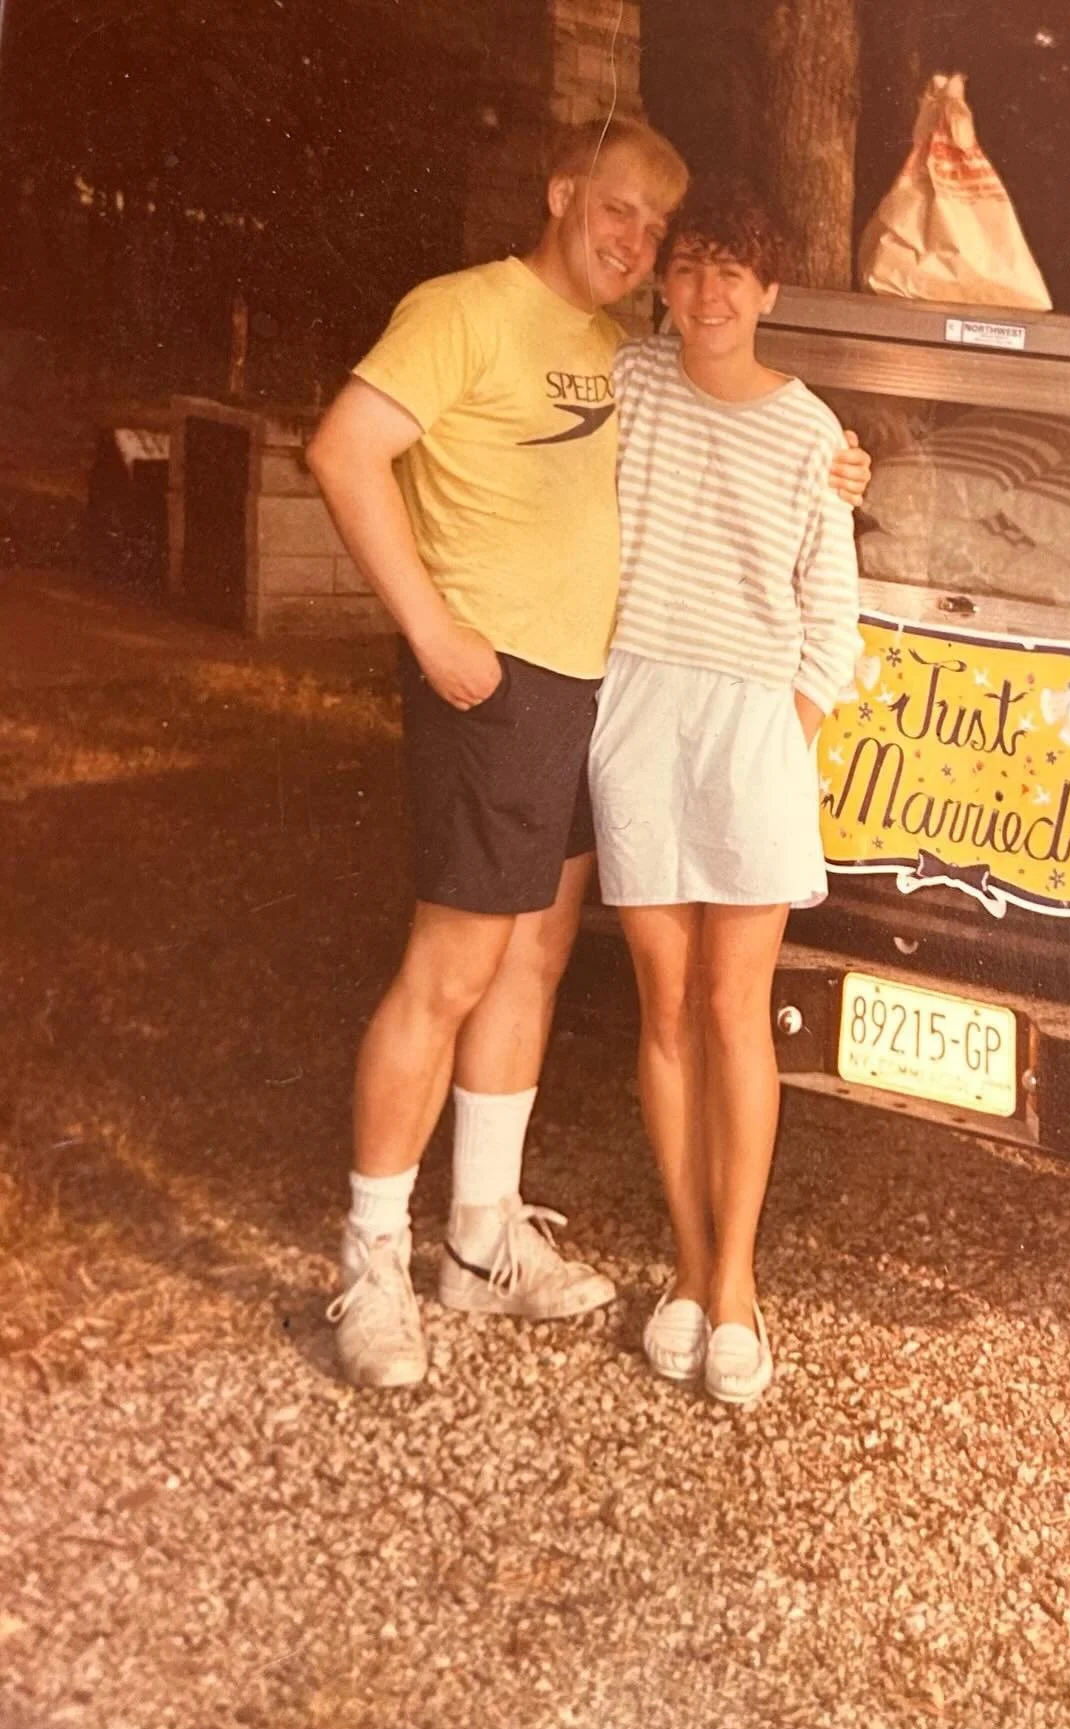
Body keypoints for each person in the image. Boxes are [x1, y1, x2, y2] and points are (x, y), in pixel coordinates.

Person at [306, 119, 869, 1388]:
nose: (639, 246)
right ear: (562, 193)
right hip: (493, 682)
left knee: (536, 963)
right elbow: (342, 454)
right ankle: (371, 1265)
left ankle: (481, 1243)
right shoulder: (465, 310)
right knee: (450, 967)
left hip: (591, 694)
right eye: (619, 215)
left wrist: (842, 461)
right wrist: (432, 627)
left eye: (657, 235)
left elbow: (760, 447)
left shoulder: (624, 353)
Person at [589, 179, 861, 1404]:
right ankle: (688, 1271)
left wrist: (786, 729)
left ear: (769, 292)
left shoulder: (814, 434)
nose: (709, 294)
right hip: (639, 706)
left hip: (754, 723)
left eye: (733, 274)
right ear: (665, 281)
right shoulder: (628, 382)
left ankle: (740, 1285)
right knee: (662, 1008)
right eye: (689, 268)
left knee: (733, 1009)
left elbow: (832, 614)